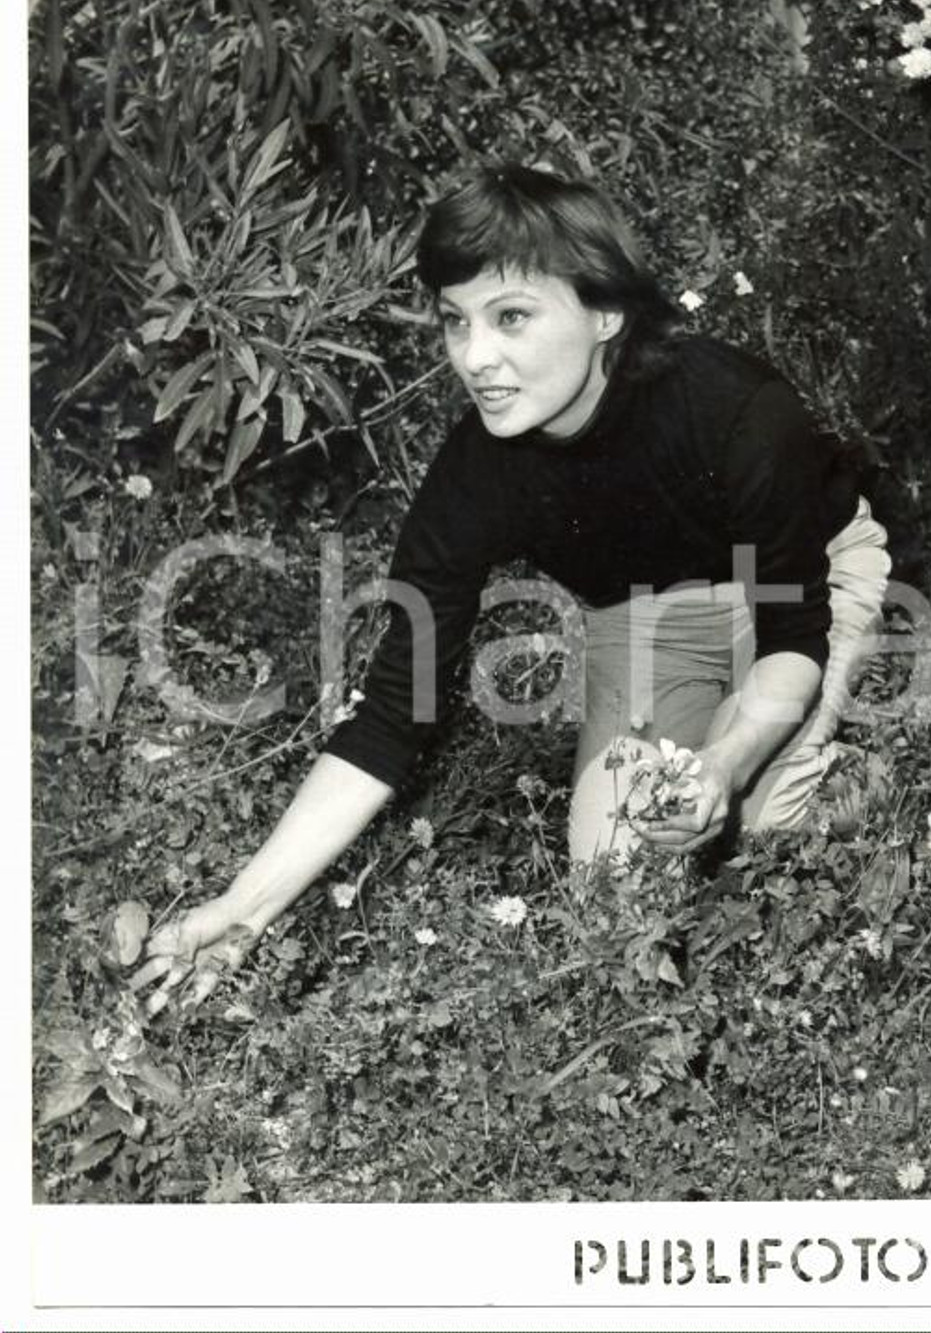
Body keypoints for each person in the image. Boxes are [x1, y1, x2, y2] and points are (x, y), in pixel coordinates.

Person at [131, 164, 891, 1014]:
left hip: (799, 583)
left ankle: (870, 778)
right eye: (456, 322)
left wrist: (722, 766)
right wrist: (242, 911)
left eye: (512, 318)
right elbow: (393, 713)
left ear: (605, 311)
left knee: (770, 812)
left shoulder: (736, 408)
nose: (475, 357)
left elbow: (791, 633)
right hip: (645, 614)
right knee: (614, 893)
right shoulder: (476, 472)